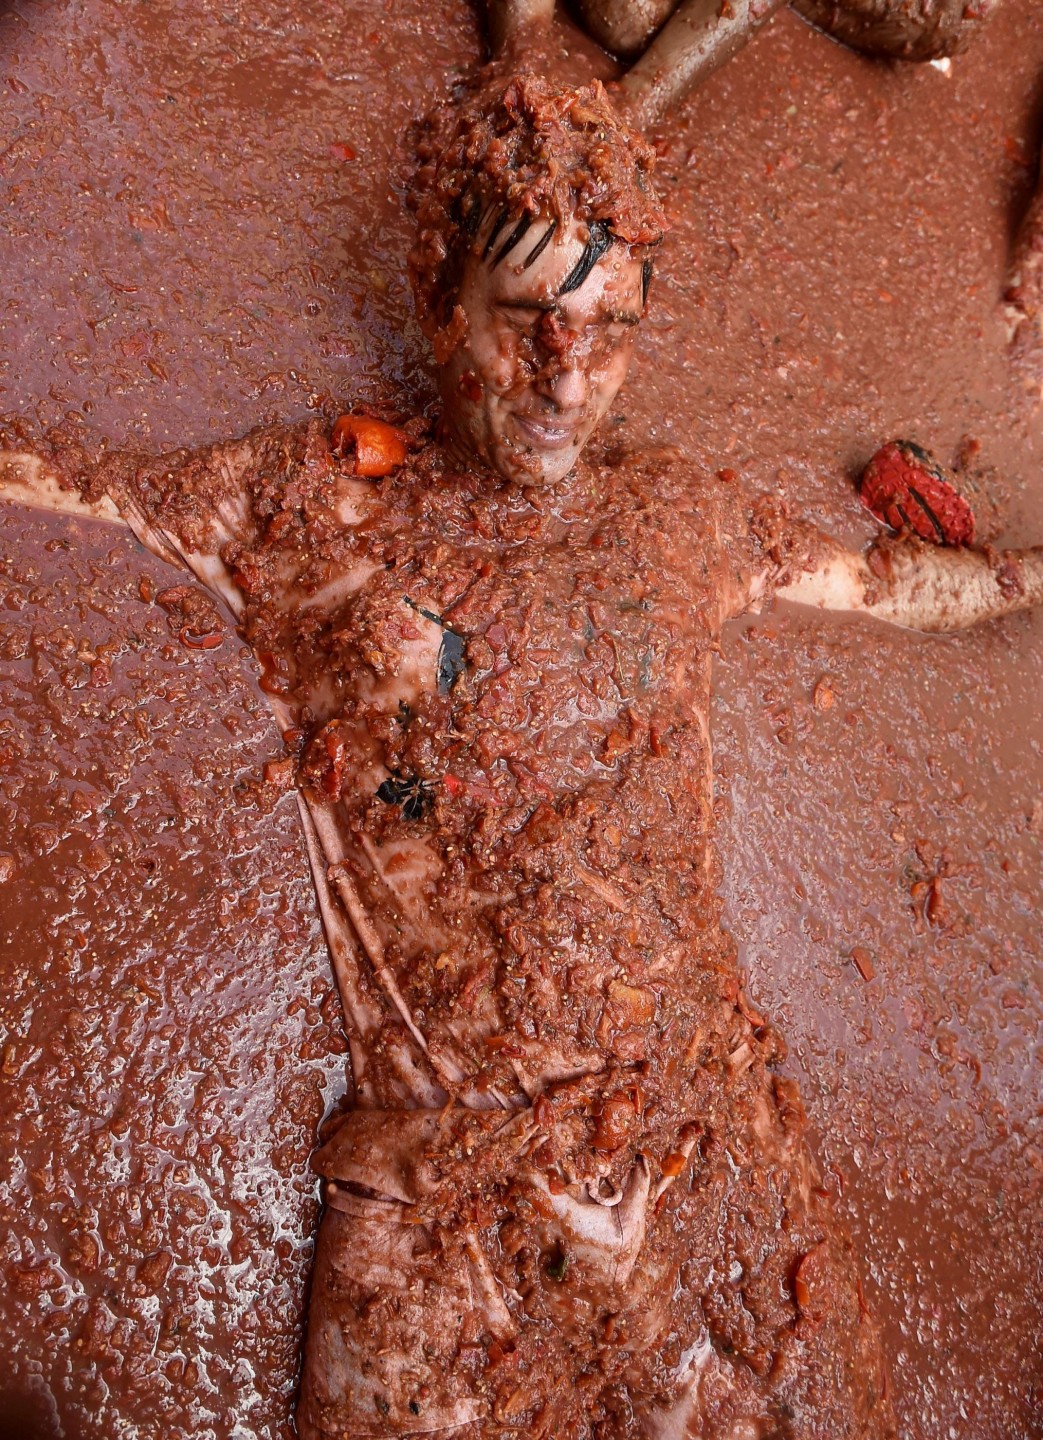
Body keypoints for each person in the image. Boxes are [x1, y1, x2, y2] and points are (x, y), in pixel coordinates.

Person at [1, 70, 1040, 1439]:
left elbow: (886, 585)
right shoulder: (310, 511)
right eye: (528, 319)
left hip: (694, 1129)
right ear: (439, 302)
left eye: (610, 329)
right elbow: (74, 481)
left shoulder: (677, 518)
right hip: (442, 1191)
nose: (567, 374)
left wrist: (1026, 579)